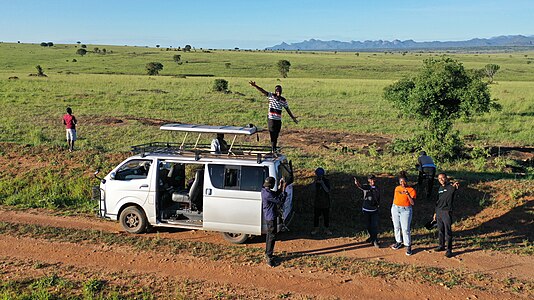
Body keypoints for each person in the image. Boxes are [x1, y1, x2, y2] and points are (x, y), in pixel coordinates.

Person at [249, 81, 299, 153]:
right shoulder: (271, 96)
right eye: (277, 90)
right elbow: (263, 91)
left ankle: (274, 148)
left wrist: (293, 118)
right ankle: (273, 149)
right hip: (271, 119)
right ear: (275, 91)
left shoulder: (283, 100)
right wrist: (255, 86)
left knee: (276, 135)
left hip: (278, 120)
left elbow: (287, 109)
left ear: (281, 91)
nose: (278, 91)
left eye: (279, 90)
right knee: (272, 134)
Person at [261, 176, 286, 267]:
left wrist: (281, 186)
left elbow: (275, 194)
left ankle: (268, 253)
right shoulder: (268, 194)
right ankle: (269, 256)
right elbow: (280, 200)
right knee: (272, 236)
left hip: (268, 216)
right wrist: (284, 192)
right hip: (271, 217)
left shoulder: (265, 191)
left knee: (269, 235)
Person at [433, 173, 459, 258]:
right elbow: (438, 201)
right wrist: (435, 212)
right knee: (440, 230)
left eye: (442, 178)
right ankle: (441, 246)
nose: (441, 180)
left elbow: (455, 185)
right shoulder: (440, 188)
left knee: (448, 231)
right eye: (439, 179)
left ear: (446, 178)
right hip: (439, 211)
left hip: (447, 212)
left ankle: (449, 250)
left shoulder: (450, 186)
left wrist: (455, 184)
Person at [390, 171, 416, 256]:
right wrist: (393, 210)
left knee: (405, 229)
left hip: (406, 210)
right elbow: (395, 198)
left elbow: (412, 203)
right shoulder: (397, 188)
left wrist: (408, 194)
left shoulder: (411, 190)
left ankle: (408, 245)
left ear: (407, 181)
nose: (402, 183)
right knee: (396, 227)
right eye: (401, 181)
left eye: (404, 181)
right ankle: (398, 241)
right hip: (395, 208)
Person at [354, 174, 380, 248]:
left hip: (374, 209)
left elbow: (378, 197)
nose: (372, 181)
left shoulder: (377, 188)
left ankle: (374, 240)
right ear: (368, 180)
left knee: (374, 225)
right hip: (366, 209)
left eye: (373, 179)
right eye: (371, 180)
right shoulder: (366, 187)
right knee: (368, 225)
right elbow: (360, 186)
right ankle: (372, 237)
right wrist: (357, 183)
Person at [311, 167, 332, 235]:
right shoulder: (316, 181)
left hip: (326, 202)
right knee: (316, 216)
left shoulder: (326, 181)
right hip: (317, 202)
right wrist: (315, 182)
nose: (319, 176)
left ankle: (326, 229)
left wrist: (322, 183)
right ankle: (316, 229)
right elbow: (312, 189)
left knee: (326, 217)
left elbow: (327, 190)